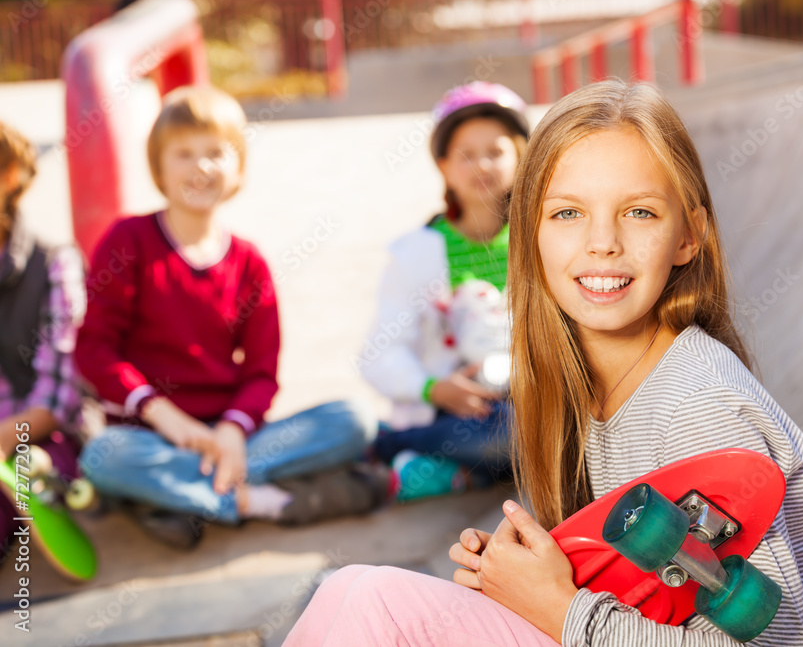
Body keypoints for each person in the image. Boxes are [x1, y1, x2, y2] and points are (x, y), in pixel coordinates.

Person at [284, 80, 803, 645]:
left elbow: (783, 641)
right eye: (568, 214)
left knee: (369, 602)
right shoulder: (583, 383)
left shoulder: (698, 407)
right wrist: (533, 573)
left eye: (639, 212)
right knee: (346, 595)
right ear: (529, 234)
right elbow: (656, 585)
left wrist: (560, 607)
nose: (603, 242)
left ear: (689, 237)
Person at [75, 86, 383, 549]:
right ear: (159, 166)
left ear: (238, 166)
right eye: (183, 153)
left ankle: (179, 500)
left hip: (233, 438)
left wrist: (233, 432)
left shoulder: (248, 262)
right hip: (153, 435)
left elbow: (262, 370)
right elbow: (94, 349)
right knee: (102, 457)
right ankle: (259, 501)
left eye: (216, 152)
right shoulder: (128, 241)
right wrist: (165, 416)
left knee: (354, 419)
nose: (201, 167)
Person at [359, 81, 529, 501]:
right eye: (465, 155)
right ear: (443, 165)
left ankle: (461, 471)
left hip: (530, 397)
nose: (482, 165)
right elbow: (378, 354)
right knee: (511, 436)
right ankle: (396, 445)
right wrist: (435, 387)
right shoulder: (417, 252)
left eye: (496, 151)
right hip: (457, 408)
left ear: (522, 155)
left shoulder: (541, 239)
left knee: (553, 429)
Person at [0, 122, 87, 552]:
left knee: (31, 468)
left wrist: (5, 438)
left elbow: (58, 398)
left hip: (36, 435)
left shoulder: (55, 264)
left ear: (10, 176)